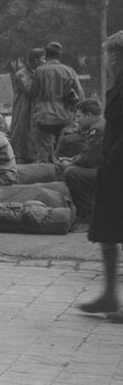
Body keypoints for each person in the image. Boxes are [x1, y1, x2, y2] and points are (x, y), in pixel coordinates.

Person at [80, 30, 123, 322]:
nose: (106, 60)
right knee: (108, 229)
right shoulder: (117, 85)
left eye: (109, 54)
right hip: (114, 166)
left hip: (119, 163)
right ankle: (109, 294)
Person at [30, 41, 84, 163]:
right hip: (64, 116)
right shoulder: (68, 70)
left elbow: (33, 93)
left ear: (46, 55)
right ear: (59, 56)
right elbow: (81, 94)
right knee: (62, 151)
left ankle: (45, 175)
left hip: (43, 116)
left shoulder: (39, 71)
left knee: (43, 151)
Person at [58, 98, 104, 232]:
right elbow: (91, 154)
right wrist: (72, 159)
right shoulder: (104, 124)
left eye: (79, 116)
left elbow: (89, 159)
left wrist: (68, 164)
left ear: (89, 115)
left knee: (72, 173)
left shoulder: (97, 129)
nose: (77, 120)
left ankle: (86, 219)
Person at [11, 48, 45, 163]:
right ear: (36, 60)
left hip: (36, 112)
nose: (45, 62)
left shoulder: (37, 72)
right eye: (43, 59)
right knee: (23, 139)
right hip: (24, 113)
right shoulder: (22, 74)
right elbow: (30, 90)